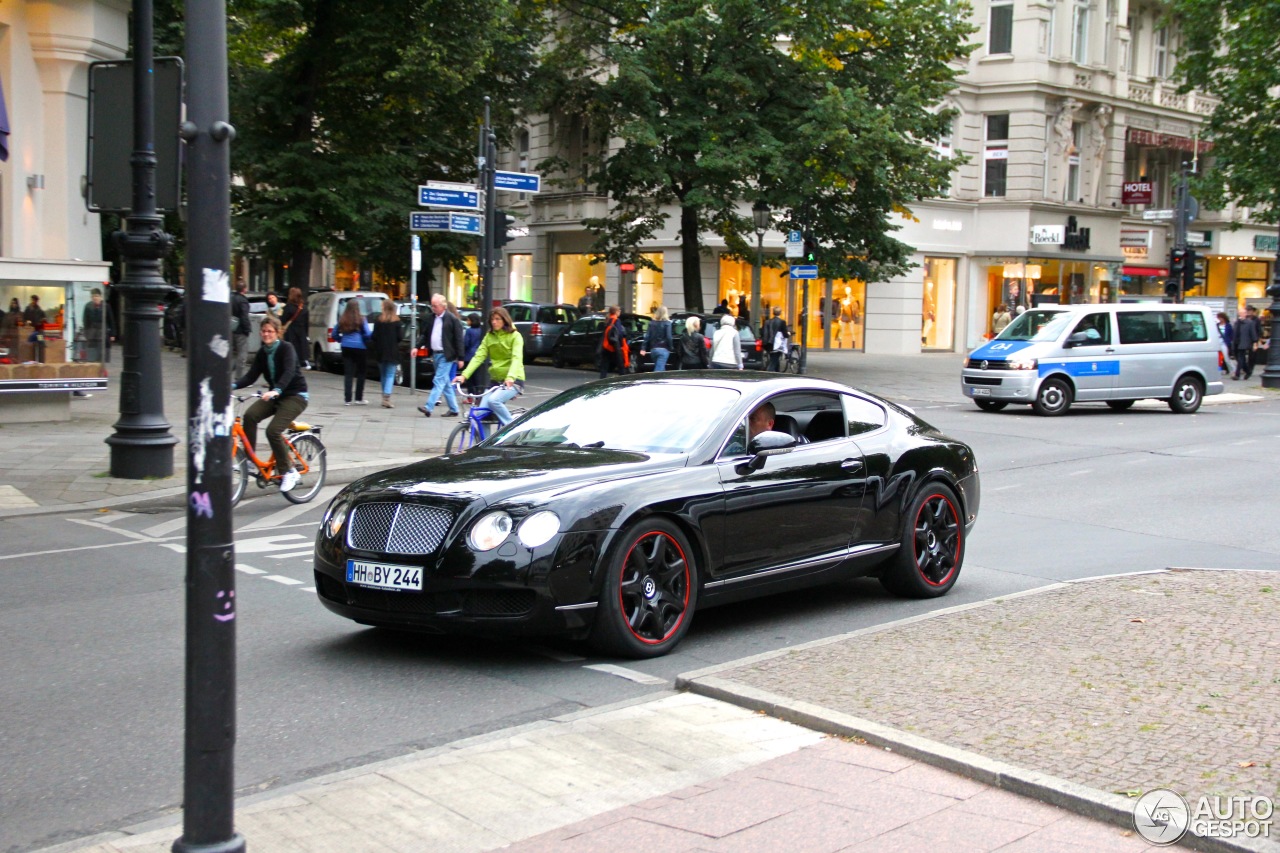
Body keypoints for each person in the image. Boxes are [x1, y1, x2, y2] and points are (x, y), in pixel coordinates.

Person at [232, 315, 309, 493]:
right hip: (276, 395)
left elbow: (289, 371)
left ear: (277, 332)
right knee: (250, 416)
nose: (266, 334)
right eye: (263, 331)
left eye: (270, 331)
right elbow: (251, 376)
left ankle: (288, 471)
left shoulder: (286, 348)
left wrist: (277, 390)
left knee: (273, 431)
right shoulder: (262, 352)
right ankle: (250, 461)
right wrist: (232, 386)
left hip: (295, 395)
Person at [455, 306, 524, 426]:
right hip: (496, 381)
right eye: (492, 319)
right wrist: (464, 376)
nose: (494, 322)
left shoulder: (515, 336)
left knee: (494, 401)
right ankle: (484, 444)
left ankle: (511, 429)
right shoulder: (489, 337)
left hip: (513, 380)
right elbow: (478, 357)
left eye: (497, 319)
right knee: (481, 414)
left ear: (505, 320)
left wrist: (511, 377)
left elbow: (516, 358)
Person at [417, 293, 464, 417]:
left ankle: (429, 407)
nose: (433, 308)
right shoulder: (431, 318)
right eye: (432, 306)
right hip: (436, 354)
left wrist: (460, 357)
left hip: (447, 355)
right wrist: (416, 347)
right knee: (445, 382)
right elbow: (425, 334)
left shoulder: (452, 319)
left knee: (438, 380)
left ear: (443, 306)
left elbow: (459, 339)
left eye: (435, 306)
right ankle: (454, 409)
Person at [333, 299, 372, 406]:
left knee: (348, 373)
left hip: (346, 347)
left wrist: (341, 340)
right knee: (361, 373)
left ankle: (347, 399)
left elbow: (334, 333)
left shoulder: (343, 319)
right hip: (360, 348)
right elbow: (368, 334)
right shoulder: (361, 319)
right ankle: (358, 398)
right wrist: (364, 339)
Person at [369, 299, 401, 408]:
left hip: (380, 351)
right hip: (392, 351)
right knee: (390, 374)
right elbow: (399, 337)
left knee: (383, 374)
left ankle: (384, 396)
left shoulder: (379, 321)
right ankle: (386, 396)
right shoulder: (397, 322)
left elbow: (374, 336)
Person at [82, 287, 116, 363]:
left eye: (97, 296)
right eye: (93, 296)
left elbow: (111, 320)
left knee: (103, 353)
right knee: (92, 352)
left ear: (100, 297)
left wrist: (113, 334)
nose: (95, 298)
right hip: (92, 332)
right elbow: (85, 321)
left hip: (103, 332)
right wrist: (86, 333)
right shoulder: (88, 306)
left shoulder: (106, 306)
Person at [279, 287, 309, 369]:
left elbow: (283, 320)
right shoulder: (304, 308)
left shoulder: (288, 307)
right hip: (301, 332)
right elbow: (307, 323)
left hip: (291, 332)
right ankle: (301, 363)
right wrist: (306, 334)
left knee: (291, 350)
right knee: (300, 350)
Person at [597, 306, 629, 378]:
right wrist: (621, 344)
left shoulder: (608, 319)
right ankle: (623, 380)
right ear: (616, 312)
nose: (620, 312)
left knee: (604, 366)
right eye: (619, 311)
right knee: (620, 365)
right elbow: (620, 333)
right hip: (614, 346)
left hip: (606, 345)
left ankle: (602, 380)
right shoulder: (616, 320)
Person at [641, 305, 673, 371]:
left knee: (660, 368)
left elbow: (647, 336)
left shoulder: (651, 323)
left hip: (653, 349)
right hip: (663, 349)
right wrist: (671, 347)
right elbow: (669, 337)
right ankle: (654, 381)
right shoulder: (667, 323)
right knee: (659, 370)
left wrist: (643, 348)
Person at [461, 312, 487, 394]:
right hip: (478, 354)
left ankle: (471, 394)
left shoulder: (469, 331)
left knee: (470, 378)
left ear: (472, 321)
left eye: (468, 320)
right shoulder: (481, 330)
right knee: (477, 377)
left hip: (469, 355)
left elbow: (466, 343)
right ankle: (478, 393)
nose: (467, 322)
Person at [1231, 309, 1259, 380]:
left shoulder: (1250, 323)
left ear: (1245, 314)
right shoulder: (1237, 322)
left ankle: (1237, 374)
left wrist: (1255, 342)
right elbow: (1234, 332)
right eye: (1240, 313)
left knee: (1241, 357)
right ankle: (1248, 371)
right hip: (1236, 342)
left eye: (1242, 313)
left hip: (1244, 342)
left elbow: (1253, 333)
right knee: (1240, 358)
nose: (1241, 314)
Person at [230, 278, 251, 372]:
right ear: (244, 289)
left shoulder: (232, 298)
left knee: (233, 351)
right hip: (241, 329)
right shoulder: (243, 301)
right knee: (242, 353)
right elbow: (244, 316)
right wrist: (247, 329)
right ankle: (239, 376)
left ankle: (229, 370)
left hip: (231, 328)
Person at [761, 307, 789, 372]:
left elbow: (763, 332)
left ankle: (777, 372)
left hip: (769, 344)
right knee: (774, 361)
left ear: (773, 313)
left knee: (774, 359)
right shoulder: (782, 322)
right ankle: (769, 373)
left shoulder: (767, 322)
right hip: (777, 344)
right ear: (780, 313)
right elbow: (785, 334)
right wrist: (788, 334)